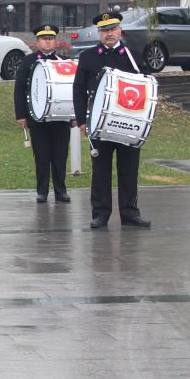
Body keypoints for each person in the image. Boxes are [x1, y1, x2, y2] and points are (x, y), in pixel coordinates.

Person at [73, 12, 151, 229]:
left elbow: (147, 85)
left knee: (129, 170)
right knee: (100, 171)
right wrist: (82, 121)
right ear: (99, 33)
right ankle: (100, 213)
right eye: (105, 30)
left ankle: (130, 214)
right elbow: (78, 89)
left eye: (112, 29)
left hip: (129, 123)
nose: (109, 34)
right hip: (99, 125)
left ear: (119, 31)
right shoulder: (89, 57)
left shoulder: (133, 55)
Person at [14, 24, 73, 204]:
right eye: (43, 39)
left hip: (60, 118)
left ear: (55, 41)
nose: (47, 42)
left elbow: (72, 88)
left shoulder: (64, 62)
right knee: (41, 156)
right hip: (37, 118)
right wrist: (21, 115)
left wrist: (73, 114)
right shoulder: (28, 61)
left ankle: (60, 190)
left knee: (60, 156)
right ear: (38, 42)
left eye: (51, 39)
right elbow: (19, 89)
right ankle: (42, 191)